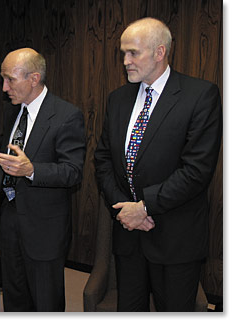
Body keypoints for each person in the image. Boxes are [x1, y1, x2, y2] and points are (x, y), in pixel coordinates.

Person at [94, 17, 222, 311]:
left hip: (175, 237)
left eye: (132, 53)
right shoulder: (118, 99)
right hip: (128, 234)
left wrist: (144, 207)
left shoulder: (200, 96)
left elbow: (196, 171)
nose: (125, 61)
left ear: (160, 52)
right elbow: (102, 159)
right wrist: (123, 209)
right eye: (122, 53)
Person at [0, 48, 86, 311]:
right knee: (15, 296)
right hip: (9, 218)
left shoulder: (66, 115)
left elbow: (73, 171)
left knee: (45, 301)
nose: (4, 87)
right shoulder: (13, 111)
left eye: (10, 79)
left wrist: (32, 170)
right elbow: (7, 152)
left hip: (44, 227)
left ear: (34, 78)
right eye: (2, 79)